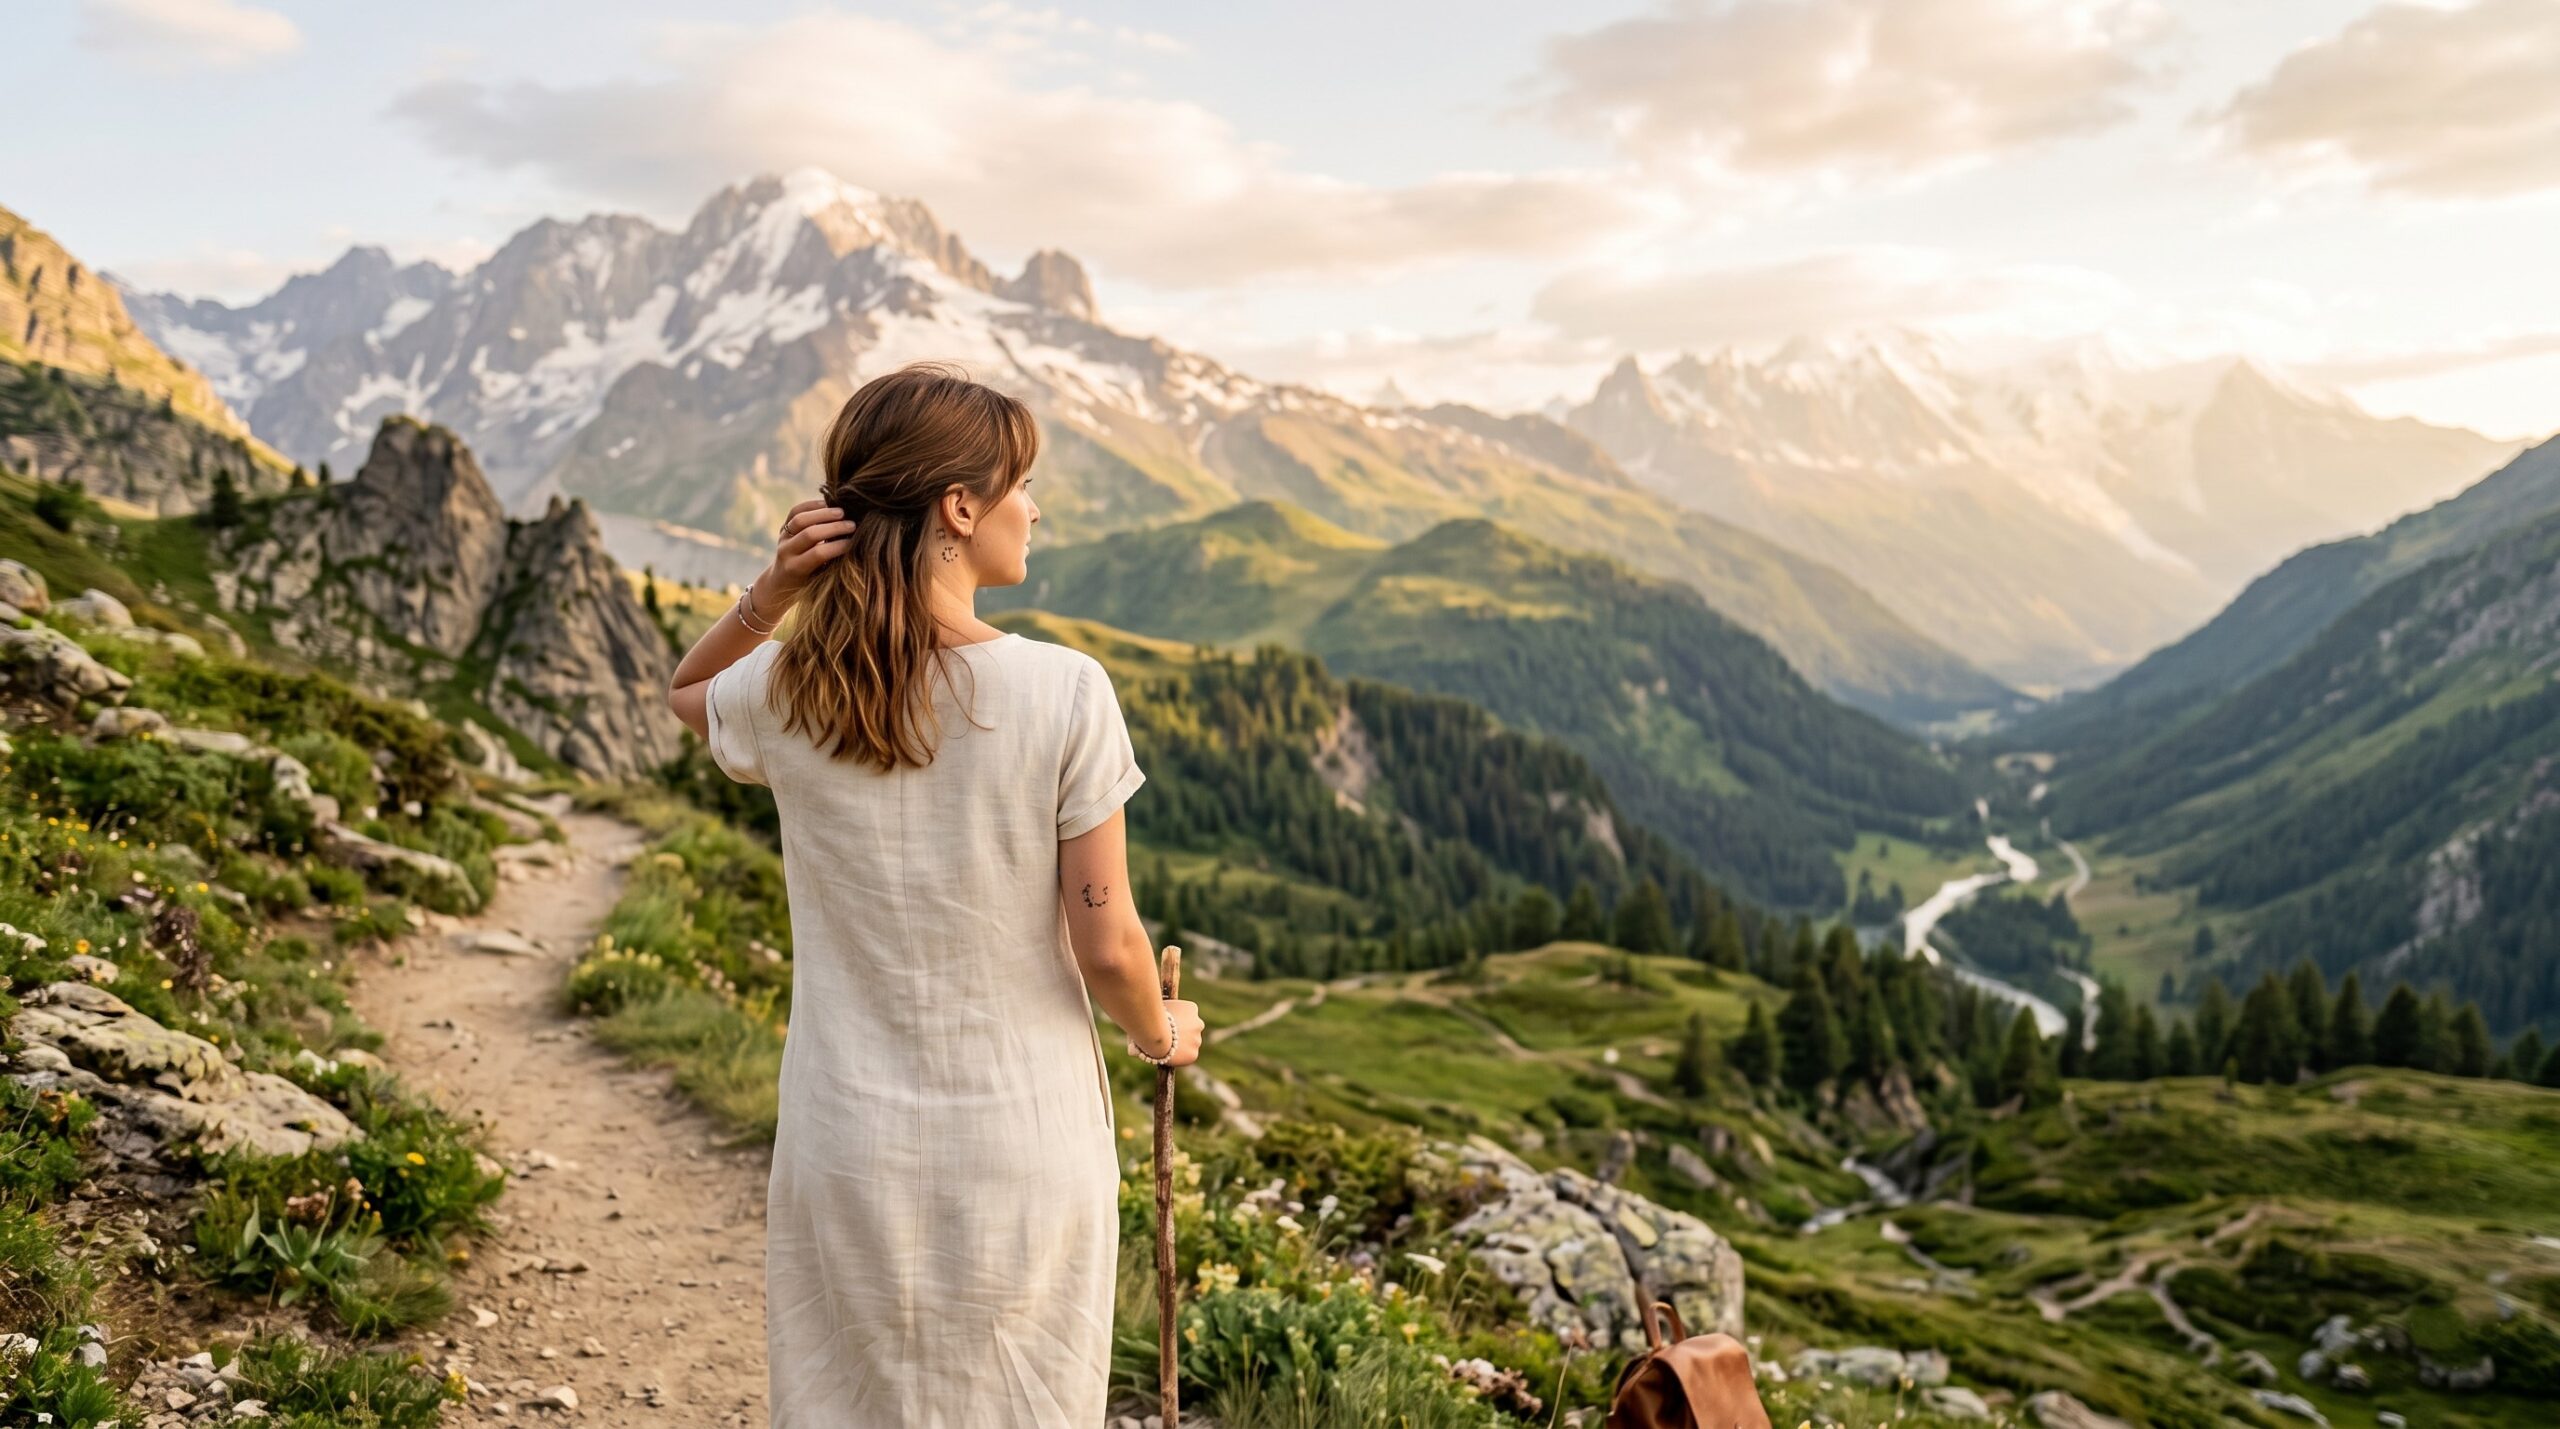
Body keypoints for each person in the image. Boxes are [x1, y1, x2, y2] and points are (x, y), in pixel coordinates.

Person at [666, 362, 1205, 1427]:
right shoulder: (1063, 690)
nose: (1034, 507)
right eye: (1020, 484)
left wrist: (771, 595)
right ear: (959, 507)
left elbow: (688, 690)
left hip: (843, 1137)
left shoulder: (786, 690)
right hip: (1020, 1140)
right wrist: (1161, 1034)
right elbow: (1107, 941)